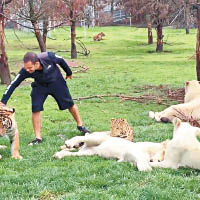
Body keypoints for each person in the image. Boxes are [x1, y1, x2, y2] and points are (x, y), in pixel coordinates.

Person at [0, 52, 90, 145]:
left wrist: (69, 72)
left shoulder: (48, 57)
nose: (27, 70)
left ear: (37, 63)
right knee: (36, 108)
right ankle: (38, 138)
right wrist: (3, 101)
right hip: (40, 86)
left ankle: (80, 126)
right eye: (26, 67)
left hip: (56, 82)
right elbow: (14, 84)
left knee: (69, 104)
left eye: (30, 68)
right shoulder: (25, 70)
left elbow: (61, 60)